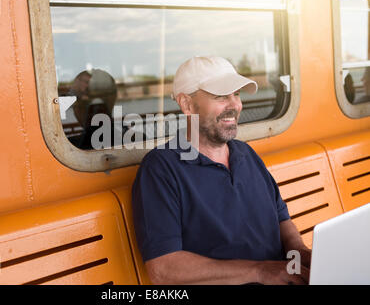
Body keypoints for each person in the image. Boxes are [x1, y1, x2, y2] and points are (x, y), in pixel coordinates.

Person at [132, 56, 312, 285]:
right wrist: (260, 271)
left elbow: (281, 220)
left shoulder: (246, 154)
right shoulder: (161, 169)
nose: (235, 105)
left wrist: (299, 255)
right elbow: (164, 269)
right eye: (220, 96)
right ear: (187, 104)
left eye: (236, 94)